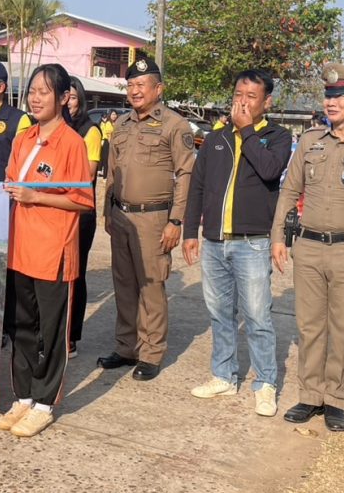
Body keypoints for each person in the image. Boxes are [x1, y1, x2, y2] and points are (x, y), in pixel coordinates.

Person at [270, 62, 344, 432]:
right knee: (309, 326)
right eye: (328, 95)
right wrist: (278, 237)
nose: (331, 101)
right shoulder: (310, 141)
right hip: (308, 246)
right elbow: (289, 191)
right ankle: (310, 395)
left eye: (340, 95)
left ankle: (336, 399)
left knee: (342, 327)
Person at [182, 70, 292, 416]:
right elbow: (198, 186)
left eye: (251, 97)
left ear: (266, 102)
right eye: (238, 95)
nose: (242, 102)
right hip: (215, 242)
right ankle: (224, 375)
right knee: (220, 314)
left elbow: (270, 170)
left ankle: (266, 383)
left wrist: (246, 130)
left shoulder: (277, 136)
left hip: (252, 243)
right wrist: (190, 231)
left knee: (257, 316)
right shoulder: (217, 138)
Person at [0, 63, 94, 438]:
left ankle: (44, 403)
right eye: (32, 91)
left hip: (53, 253)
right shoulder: (23, 138)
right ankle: (22, 396)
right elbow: (10, 182)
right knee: (20, 327)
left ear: (64, 97)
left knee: (51, 333)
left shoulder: (72, 143)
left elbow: (83, 200)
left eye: (44, 92)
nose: (35, 98)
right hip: (20, 249)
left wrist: (37, 197)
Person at [97, 56, 195, 381]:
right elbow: (112, 172)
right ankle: (126, 347)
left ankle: (151, 353)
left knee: (151, 285)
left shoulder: (175, 125)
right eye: (130, 85)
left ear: (159, 88)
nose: (135, 91)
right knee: (124, 284)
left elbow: (186, 174)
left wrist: (176, 221)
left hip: (154, 219)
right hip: (121, 215)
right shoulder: (122, 124)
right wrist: (107, 211)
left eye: (141, 85)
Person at [65, 80, 102, 358]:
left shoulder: (90, 131)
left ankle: (71, 336)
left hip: (80, 213)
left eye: (73, 97)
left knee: (75, 274)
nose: (68, 102)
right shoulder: (54, 127)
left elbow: (86, 176)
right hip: (55, 211)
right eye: (65, 96)